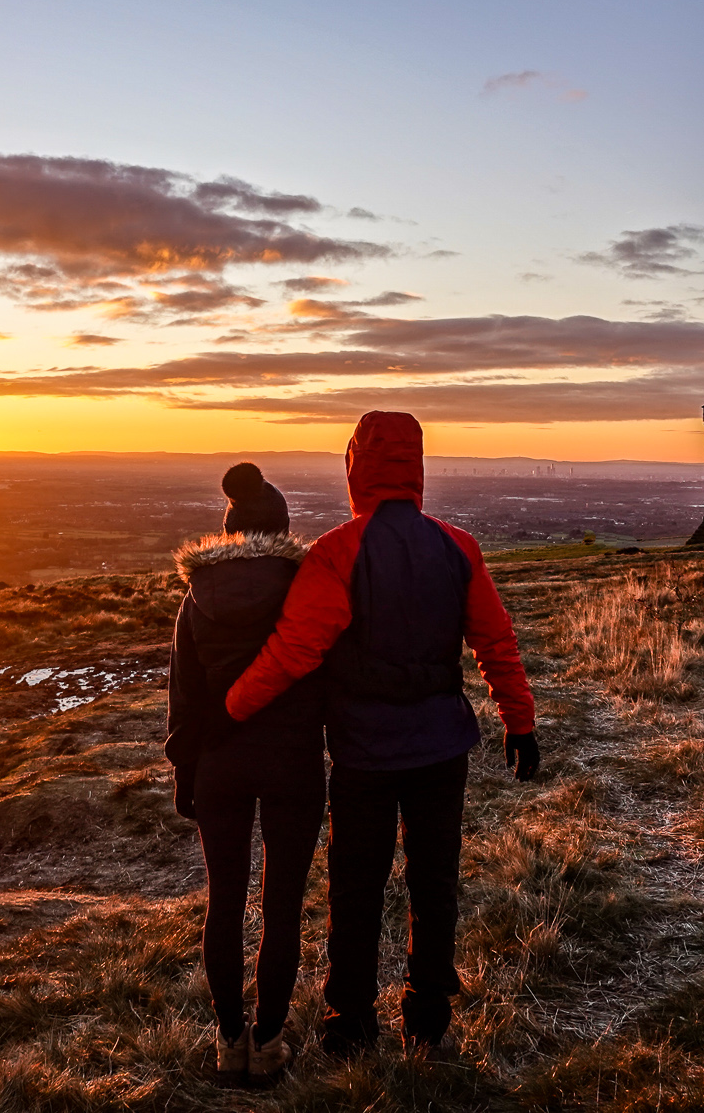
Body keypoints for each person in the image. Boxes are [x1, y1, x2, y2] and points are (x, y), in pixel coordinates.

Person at [224, 411, 539, 1055]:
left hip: (363, 752)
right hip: (442, 745)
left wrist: (228, 708)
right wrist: (519, 722)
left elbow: (295, 651)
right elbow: (495, 641)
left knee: (356, 883)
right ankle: (427, 1016)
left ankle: (351, 1020)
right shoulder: (458, 546)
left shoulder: (337, 552)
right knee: (435, 880)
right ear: (417, 466)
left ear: (355, 466)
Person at [165, 463, 324, 1085]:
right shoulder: (307, 589)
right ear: (282, 531)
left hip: (218, 766)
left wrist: (186, 777)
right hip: (293, 763)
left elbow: (184, 697)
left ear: (229, 532)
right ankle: (270, 1038)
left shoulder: (196, 596)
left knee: (225, 901)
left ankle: (230, 1041)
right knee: (282, 902)